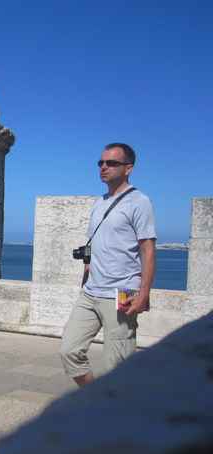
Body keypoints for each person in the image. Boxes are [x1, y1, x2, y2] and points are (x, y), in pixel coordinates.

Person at [60, 143, 156, 387]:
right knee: (69, 351)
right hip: (91, 291)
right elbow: (94, 243)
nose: (104, 167)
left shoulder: (139, 201)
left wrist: (144, 293)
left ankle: (115, 414)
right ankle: (96, 398)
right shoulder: (100, 202)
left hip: (123, 292)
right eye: (100, 162)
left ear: (128, 168)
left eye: (111, 163)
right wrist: (87, 269)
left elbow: (147, 249)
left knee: (117, 365)